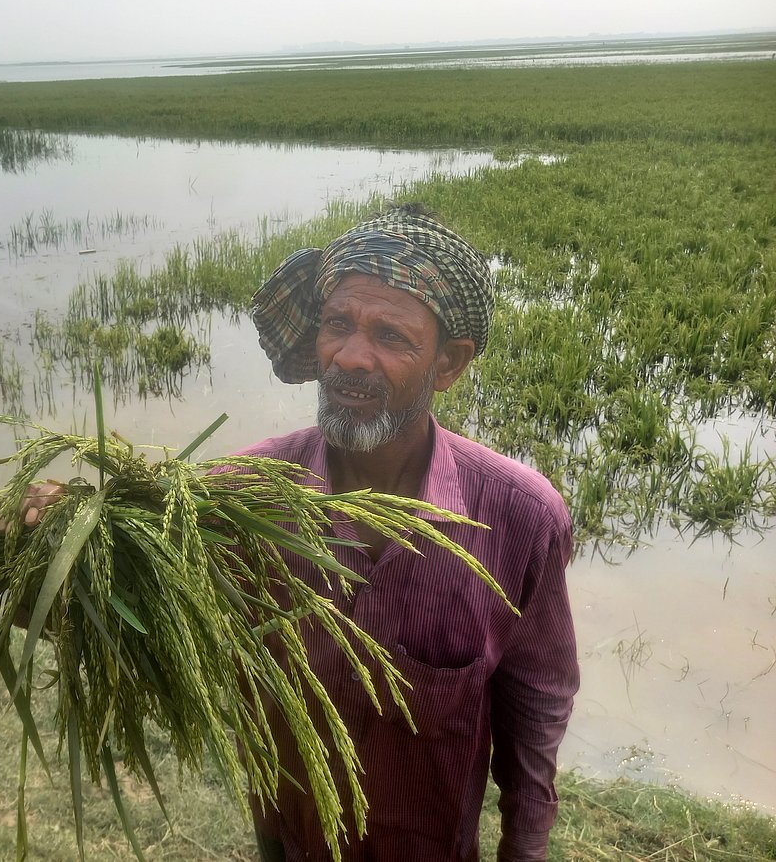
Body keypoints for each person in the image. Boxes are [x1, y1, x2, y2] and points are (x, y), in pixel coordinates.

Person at [241, 204, 579, 861]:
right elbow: (124, 612)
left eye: (391, 336)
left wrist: (525, 848)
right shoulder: (246, 495)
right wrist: (63, 533)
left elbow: (535, 707)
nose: (352, 357)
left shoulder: (519, 518)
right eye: (338, 325)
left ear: (449, 364)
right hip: (290, 841)